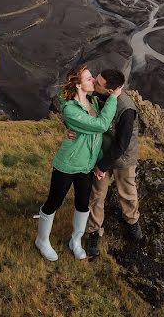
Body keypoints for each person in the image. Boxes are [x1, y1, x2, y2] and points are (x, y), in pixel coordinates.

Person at [35, 64, 123, 262]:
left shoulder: (93, 100)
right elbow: (101, 125)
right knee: (53, 202)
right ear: (78, 85)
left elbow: (94, 136)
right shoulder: (71, 109)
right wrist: (114, 98)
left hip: (86, 165)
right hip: (67, 164)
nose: (93, 80)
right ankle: (42, 240)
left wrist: (100, 163)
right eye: (88, 78)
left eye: (92, 77)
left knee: (83, 205)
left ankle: (75, 241)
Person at [65, 69, 141, 258]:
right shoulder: (96, 96)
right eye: (95, 79)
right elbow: (77, 111)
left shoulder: (126, 109)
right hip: (99, 152)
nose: (94, 83)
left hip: (123, 157)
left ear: (110, 90)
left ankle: (132, 221)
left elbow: (122, 144)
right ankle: (94, 232)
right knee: (96, 194)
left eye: (98, 83)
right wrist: (70, 129)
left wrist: (102, 167)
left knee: (128, 191)